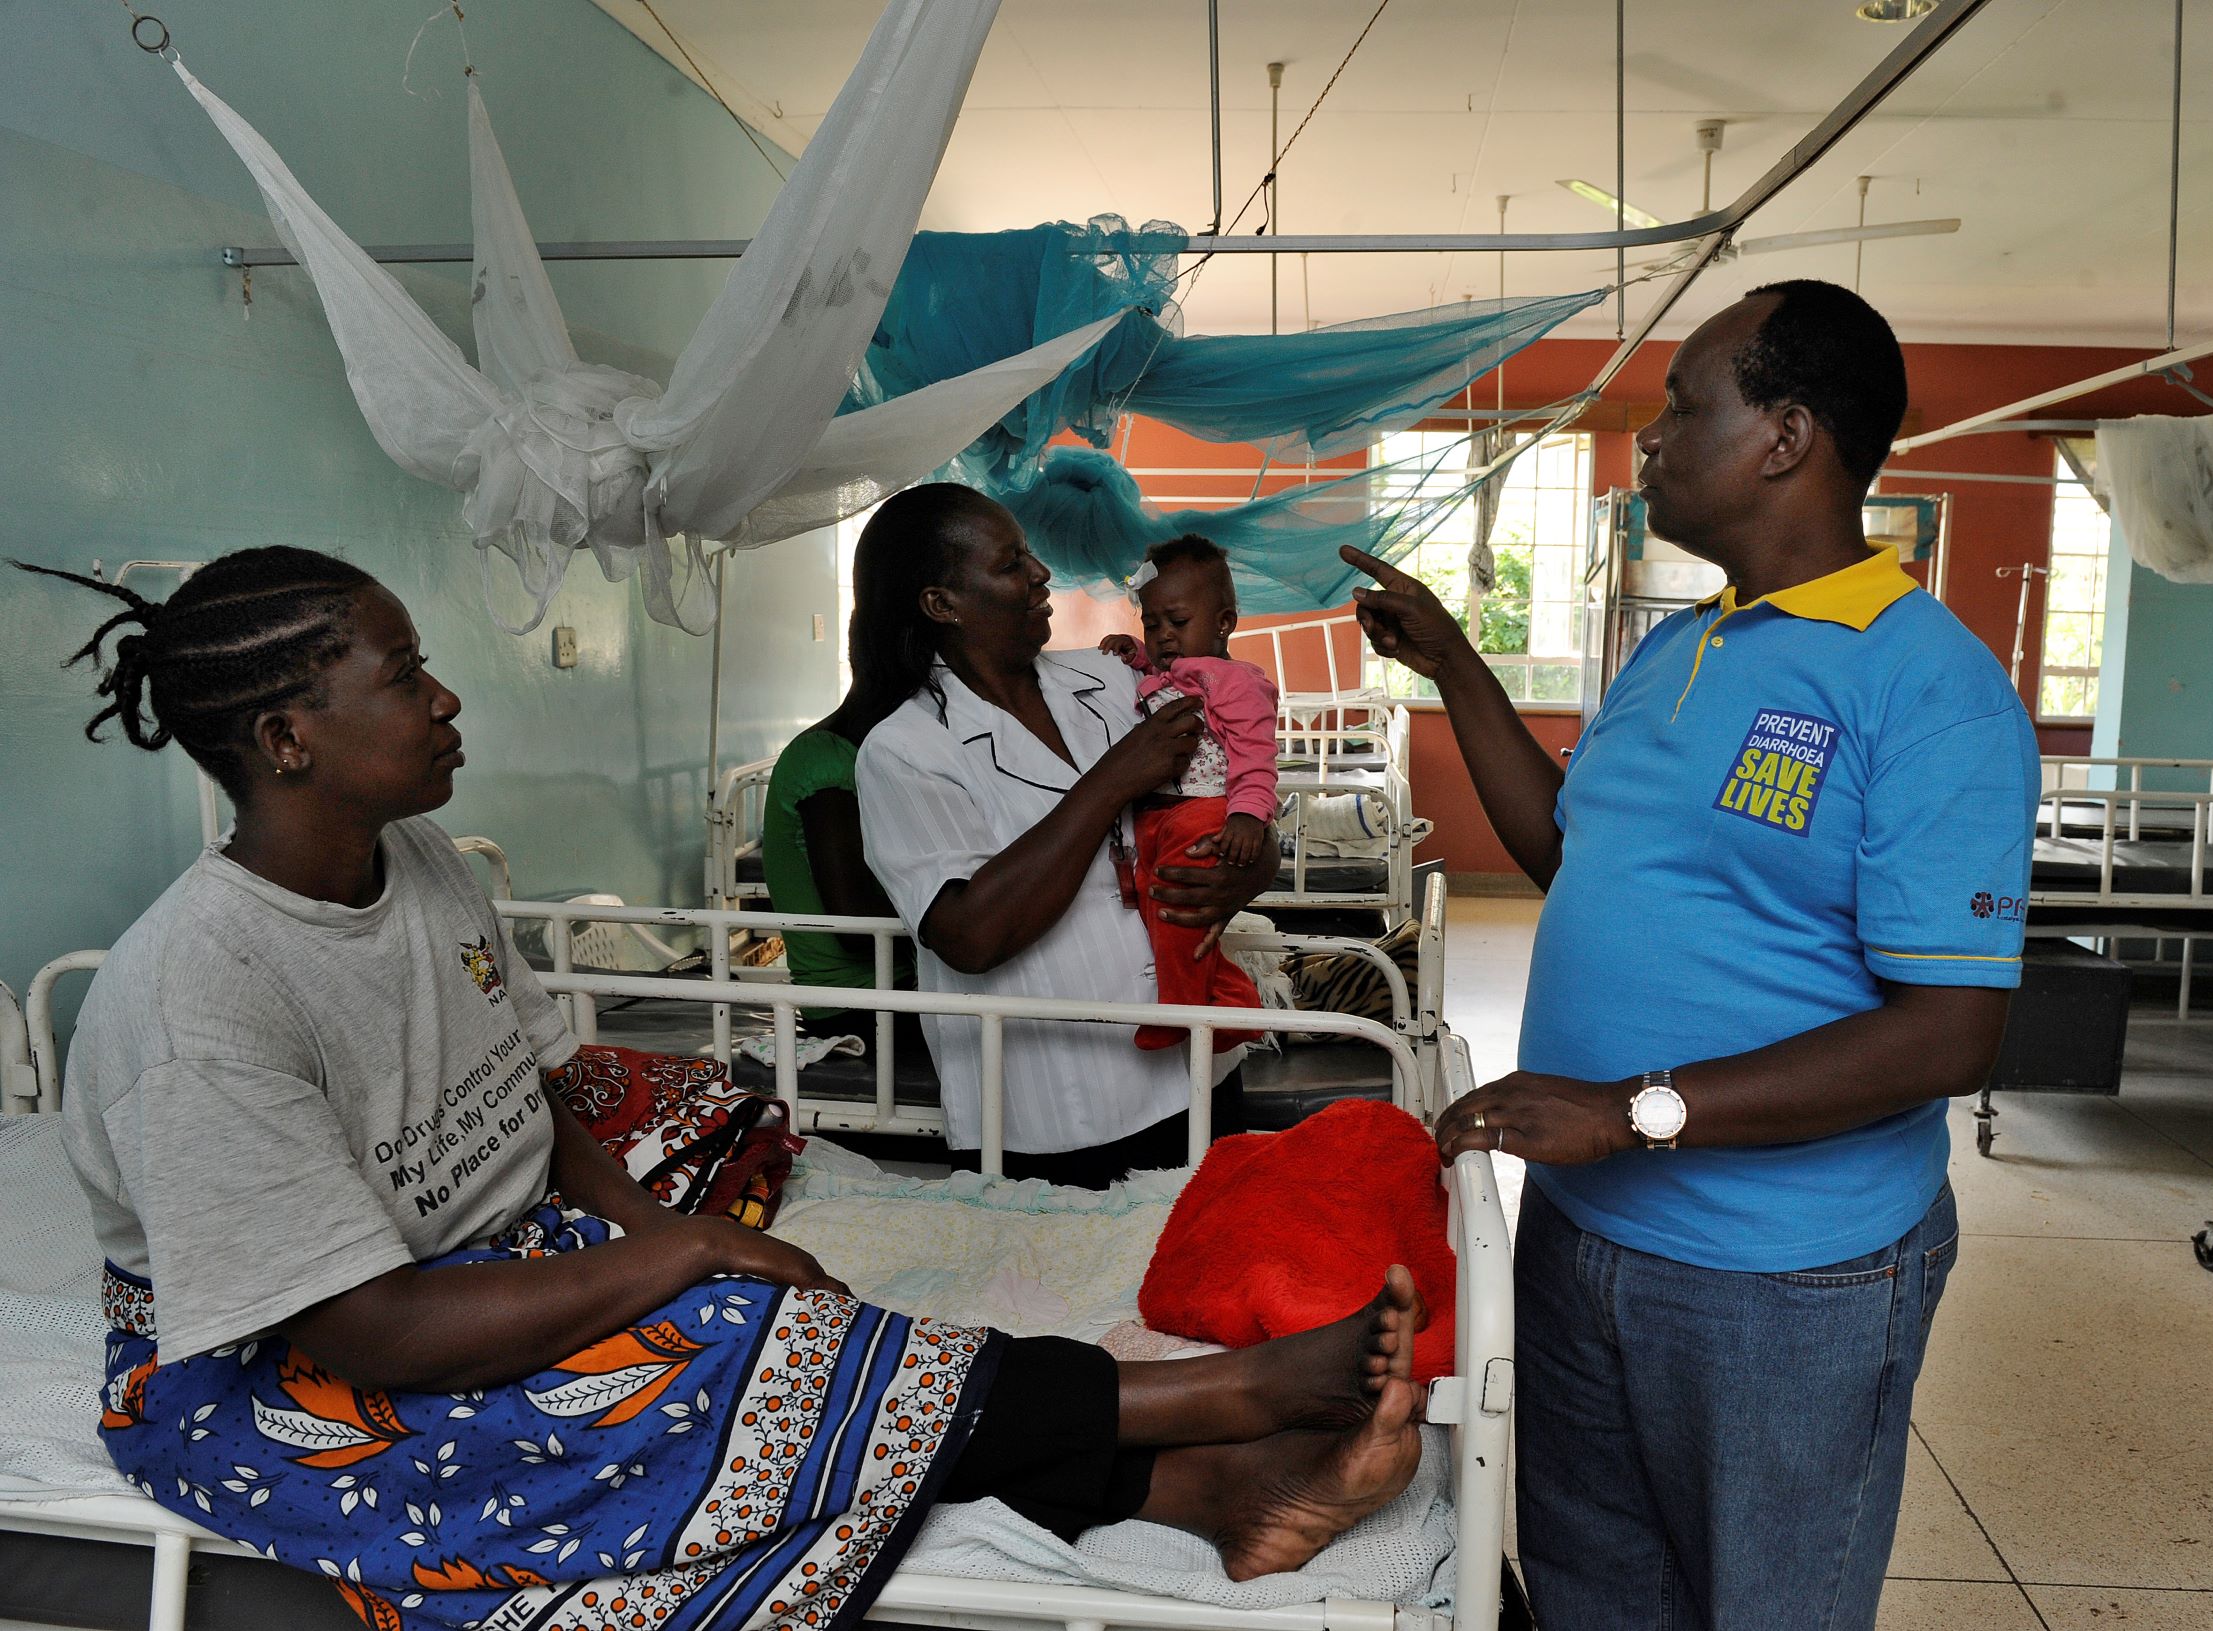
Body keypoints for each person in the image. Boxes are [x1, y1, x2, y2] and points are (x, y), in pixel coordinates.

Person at [17, 547, 1425, 1631]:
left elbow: (521, 1093)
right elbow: (371, 1331)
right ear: (286, 737)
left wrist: (643, 1225)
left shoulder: (421, 864)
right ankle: (1207, 1402)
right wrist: (679, 1245)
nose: (444, 696)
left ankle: (1212, 1490)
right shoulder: (197, 1001)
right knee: (733, 1363)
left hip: (464, 1266)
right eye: (402, 673)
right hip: (289, 1376)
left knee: (776, 1321)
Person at [1343, 279, 2041, 1631]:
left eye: (1681, 405)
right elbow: (1569, 848)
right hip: (1581, 1232)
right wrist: (1452, 667)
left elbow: (1945, 1032)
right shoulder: (1679, 645)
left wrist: (1627, 1109)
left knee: (1764, 1602)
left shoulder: (1925, 688)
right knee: (1593, 1586)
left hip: (1784, 1276)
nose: (1648, 439)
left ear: (1783, 436)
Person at [854, 487, 1281, 1189]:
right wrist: (1111, 780)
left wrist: (1252, 861)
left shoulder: (1114, 679)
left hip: (1196, 1072)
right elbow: (968, 933)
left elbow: (1236, 787)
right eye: (1011, 561)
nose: (1041, 573)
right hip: (1053, 1111)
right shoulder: (905, 750)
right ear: (942, 603)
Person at [1098, 535, 1278, 1051]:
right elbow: (1158, 671)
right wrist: (1132, 653)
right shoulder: (1167, 670)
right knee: (1159, 915)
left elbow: (1256, 758)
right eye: (1151, 625)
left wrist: (1247, 816)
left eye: (1177, 623)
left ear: (1224, 623)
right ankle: (1230, 1002)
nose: (1163, 636)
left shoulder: (1236, 683)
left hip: (1205, 813)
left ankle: (1179, 1011)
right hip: (1154, 816)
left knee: (1178, 913)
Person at [757, 687, 917, 1044]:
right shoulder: (824, 761)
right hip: (855, 1010)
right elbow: (855, 927)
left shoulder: (865, 756)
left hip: (889, 994)